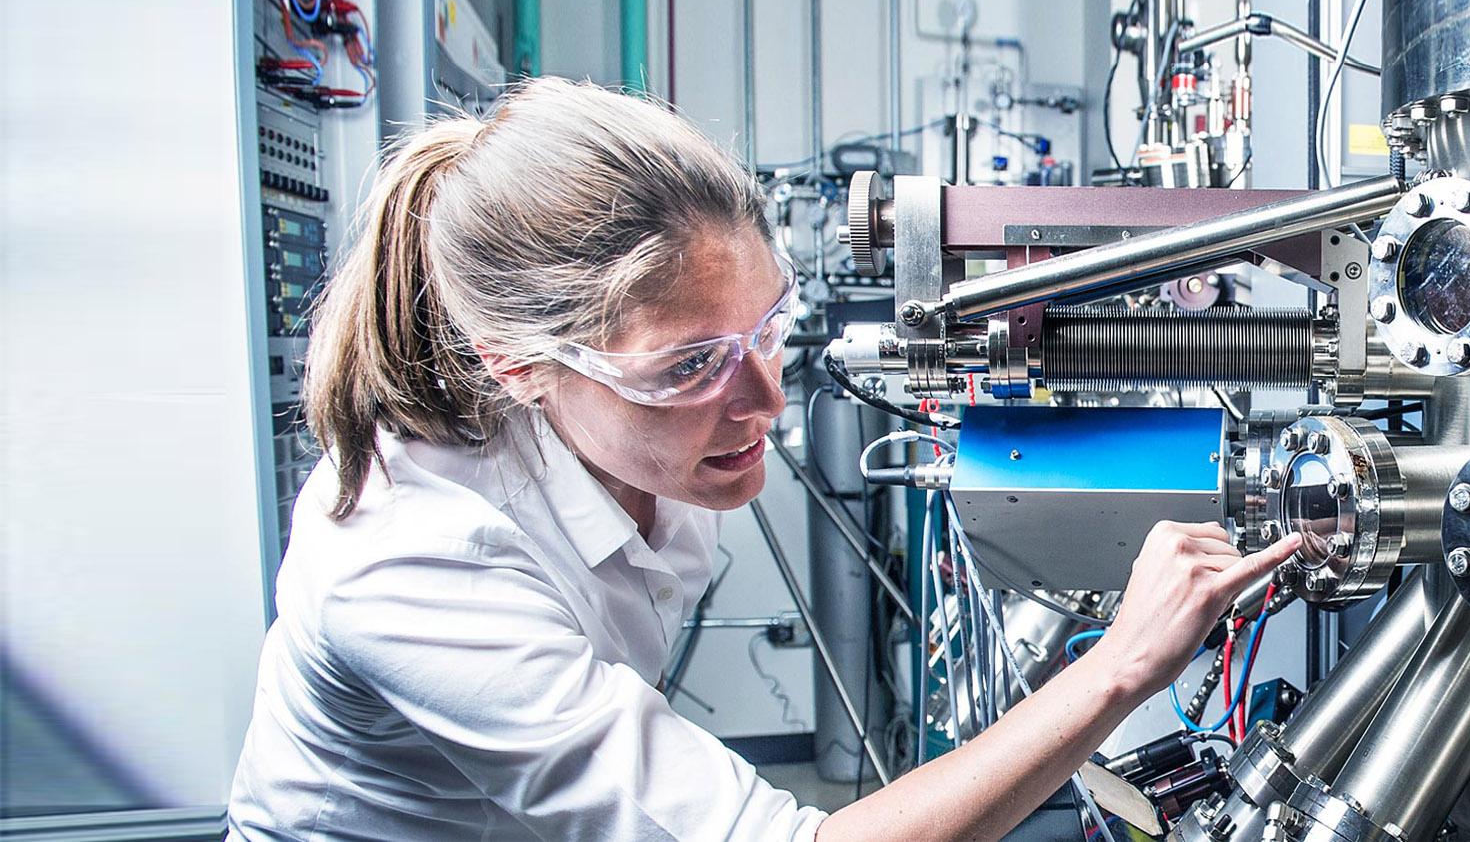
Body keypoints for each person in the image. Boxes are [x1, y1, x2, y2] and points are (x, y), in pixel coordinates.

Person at [225, 77, 1296, 841]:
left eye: (765, 327)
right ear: (518, 367)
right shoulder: (412, 559)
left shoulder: (644, 439)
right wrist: (1118, 665)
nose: (764, 398)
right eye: (690, 363)